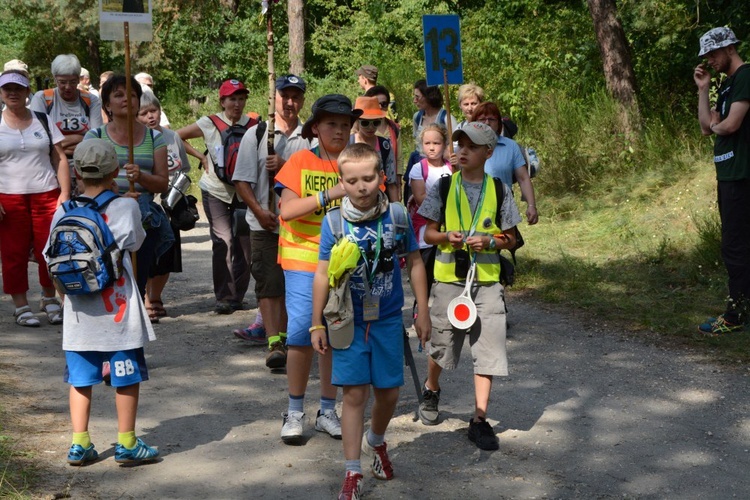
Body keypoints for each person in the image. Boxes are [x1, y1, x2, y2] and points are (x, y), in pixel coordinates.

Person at [310, 143, 431, 499]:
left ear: (381, 177)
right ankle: (352, 471)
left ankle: (375, 441)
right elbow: (320, 274)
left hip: (388, 319)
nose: (361, 187)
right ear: (342, 182)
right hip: (346, 321)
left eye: (368, 178)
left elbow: (416, 261)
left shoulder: (395, 215)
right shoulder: (334, 221)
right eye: (352, 180)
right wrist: (316, 322)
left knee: (389, 392)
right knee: (354, 394)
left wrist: (422, 309)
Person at [46, 138, 159, 466]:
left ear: (77, 172)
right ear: (115, 171)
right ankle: (126, 443)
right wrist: (129, 204)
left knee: (80, 379)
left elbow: (50, 258)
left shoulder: (63, 211)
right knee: (126, 375)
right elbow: (136, 244)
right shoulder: (126, 206)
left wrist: (66, 296)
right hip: (119, 311)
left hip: (79, 313)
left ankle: (80, 443)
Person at [416, 122, 522, 451]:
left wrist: (491, 241)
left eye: (471, 147)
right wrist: (447, 236)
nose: (462, 150)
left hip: (487, 284)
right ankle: (432, 388)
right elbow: (428, 234)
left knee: (488, 349)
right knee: (443, 344)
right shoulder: (445, 187)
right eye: (460, 144)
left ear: (488, 153)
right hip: (449, 280)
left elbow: (513, 239)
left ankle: (479, 419)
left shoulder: (500, 189)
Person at [273, 94, 363, 444]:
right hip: (302, 259)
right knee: (300, 336)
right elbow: (287, 210)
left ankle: (328, 410)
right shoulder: (299, 160)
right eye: (331, 124)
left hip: (344, 265)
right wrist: (330, 194)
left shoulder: (358, 162)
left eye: (345, 124)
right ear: (316, 128)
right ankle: (294, 411)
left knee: (335, 337)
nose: (339, 130)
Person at [232, 74, 312, 369]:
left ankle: (293, 337)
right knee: (268, 283)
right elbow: (241, 181)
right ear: (275, 98)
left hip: (301, 225)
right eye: (285, 96)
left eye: (296, 97)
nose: (290, 102)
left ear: (302, 100)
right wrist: (259, 211)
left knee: (296, 284)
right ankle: (274, 342)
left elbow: (316, 182)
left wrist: (285, 167)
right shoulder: (258, 134)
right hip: (263, 223)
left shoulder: (310, 137)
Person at [84, 74, 171, 299]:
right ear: (106, 104)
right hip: (105, 218)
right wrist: (116, 196)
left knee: (136, 281)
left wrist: (141, 177)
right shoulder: (96, 136)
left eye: (132, 95)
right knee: (106, 277)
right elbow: (84, 181)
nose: (126, 100)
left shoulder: (154, 138)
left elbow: (162, 183)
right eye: (118, 95)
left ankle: (134, 321)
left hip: (142, 219)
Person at [0, 70, 70, 327]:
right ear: (1, 93)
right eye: (7, 89)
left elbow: (60, 158)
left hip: (46, 193)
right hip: (8, 199)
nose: (12, 93)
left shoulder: (42, 119)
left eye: (18, 88)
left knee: (49, 251)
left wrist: (64, 193)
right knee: (13, 253)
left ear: (28, 92)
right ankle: (21, 306)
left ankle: (49, 298)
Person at [177, 79, 254, 315]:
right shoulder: (209, 123)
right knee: (223, 241)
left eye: (241, 99)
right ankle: (224, 296)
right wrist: (201, 156)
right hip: (215, 189)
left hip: (244, 190)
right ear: (222, 101)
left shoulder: (254, 124)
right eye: (232, 99)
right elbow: (177, 136)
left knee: (244, 244)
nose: (237, 104)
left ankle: (236, 296)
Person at [694, 27, 750, 334]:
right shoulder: (727, 86)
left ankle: (734, 316)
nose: (709, 61)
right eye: (706, 56)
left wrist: (719, 125)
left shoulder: (745, 76)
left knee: (735, 247)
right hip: (728, 175)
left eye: (713, 54)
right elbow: (707, 126)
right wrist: (703, 89)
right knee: (737, 245)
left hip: (742, 176)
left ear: (730, 48)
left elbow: (729, 125)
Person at [137, 90, 190, 322]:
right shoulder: (137, 141)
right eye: (144, 113)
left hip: (172, 202)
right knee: (149, 252)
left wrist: (177, 190)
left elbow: (184, 168)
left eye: (154, 111)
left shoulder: (172, 137)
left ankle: (156, 295)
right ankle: (147, 300)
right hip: (148, 205)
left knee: (169, 253)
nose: (151, 116)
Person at [30, 54, 103, 182]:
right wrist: (78, 138)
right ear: (55, 79)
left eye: (73, 82)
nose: (68, 87)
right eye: (62, 82)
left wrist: (57, 144)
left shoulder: (91, 100)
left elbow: (95, 141)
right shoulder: (42, 98)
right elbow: (39, 141)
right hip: (52, 170)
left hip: (85, 169)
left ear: (78, 79)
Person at [473, 101, 538, 225]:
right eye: (482, 119)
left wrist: (531, 205)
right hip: (473, 207)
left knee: (505, 241)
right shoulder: (465, 146)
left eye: (491, 119)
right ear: (474, 122)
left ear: (498, 123)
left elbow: (523, 178)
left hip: (503, 207)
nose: (487, 123)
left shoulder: (510, 146)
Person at [407, 124, 454, 292]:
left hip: (450, 226)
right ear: (422, 145)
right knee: (425, 271)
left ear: (445, 145)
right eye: (427, 143)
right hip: (425, 228)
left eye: (437, 143)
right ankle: (420, 308)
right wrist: (446, 201)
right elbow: (421, 199)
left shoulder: (452, 168)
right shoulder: (418, 168)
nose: (432, 147)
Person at [405, 79, 457, 201]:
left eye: (418, 97)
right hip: (419, 165)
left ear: (429, 96)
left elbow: (455, 145)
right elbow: (416, 141)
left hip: (439, 166)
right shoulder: (417, 117)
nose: (415, 101)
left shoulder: (447, 118)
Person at [350, 96, 400, 202]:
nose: (370, 127)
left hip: (381, 203)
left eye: (375, 122)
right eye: (365, 123)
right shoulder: (348, 144)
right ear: (357, 121)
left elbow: (391, 183)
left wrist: (397, 209)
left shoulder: (384, 145)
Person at [364, 85, 401, 172]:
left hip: (390, 176)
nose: (380, 107)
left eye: (384, 104)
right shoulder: (364, 127)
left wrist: (398, 180)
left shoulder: (394, 127)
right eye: (376, 103)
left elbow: (399, 158)